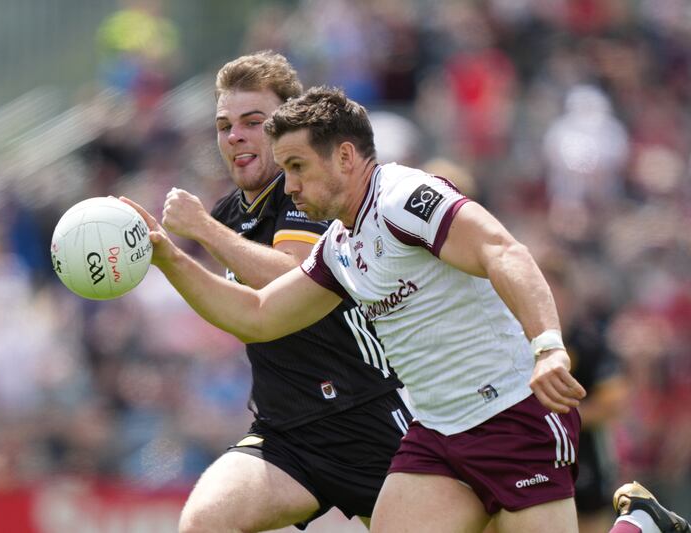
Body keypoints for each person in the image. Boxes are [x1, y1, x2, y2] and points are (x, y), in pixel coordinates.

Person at [122, 84, 586, 532]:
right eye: (286, 169)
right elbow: (259, 315)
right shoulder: (339, 246)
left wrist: (547, 348)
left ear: (345, 156)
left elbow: (502, 251)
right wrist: (169, 257)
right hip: (436, 435)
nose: (292, 185)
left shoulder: (402, 197)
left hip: (513, 415)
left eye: (299, 167)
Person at [160, 53, 413, 532]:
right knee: (204, 523)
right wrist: (160, 253)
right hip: (285, 433)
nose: (235, 135)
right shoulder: (227, 214)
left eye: (253, 122)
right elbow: (241, 312)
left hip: (366, 416)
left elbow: (290, 277)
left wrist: (203, 233)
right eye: (224, 125)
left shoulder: (309, 192)